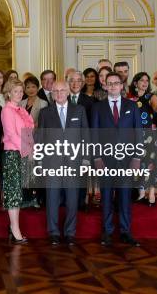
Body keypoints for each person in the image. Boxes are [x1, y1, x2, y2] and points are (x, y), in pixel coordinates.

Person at [91, 72, 142, 247]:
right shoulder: (98, 108)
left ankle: (126, 232)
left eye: (116, 83)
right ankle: (107, 232)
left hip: (127, 160)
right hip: (105, 160)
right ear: (105, 86)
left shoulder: (132, 106)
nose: (112, 86)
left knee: (125, 197)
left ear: (122, 86)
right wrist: (97, 158)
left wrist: (137, 157)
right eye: (109, 83)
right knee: (106, 196)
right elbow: (94, 134)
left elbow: (138, 133)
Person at [39, 80, 89, 246]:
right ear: (51, 93)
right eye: (55, 91)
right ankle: (53, 232)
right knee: (52, 199)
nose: (59, 94)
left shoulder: (79, 110)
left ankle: (70, 233)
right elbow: (41, 139)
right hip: (52, 163)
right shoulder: (45, 113)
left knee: (72, 199)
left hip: (74, 162)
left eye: (62, 90)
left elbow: (85, 136)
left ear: (68, 92)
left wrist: (86, 159)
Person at [0, 79, 34, 244]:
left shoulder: (21, 110)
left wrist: (30, 150)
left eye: (21, 91)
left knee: (18, 192)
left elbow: (28, 133)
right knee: (13, 192)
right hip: (13, 154)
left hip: (23, 153)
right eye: (16, 91)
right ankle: (15, 229)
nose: (19, 94)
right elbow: (12, 135)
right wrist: (25, 150)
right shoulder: (7, 110)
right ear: (8, 93)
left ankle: (14, 226)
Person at [127, 72, 157, 206]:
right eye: (142, 80)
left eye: (147, 80)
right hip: (134, 136)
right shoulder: (129, 98)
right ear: (135, 83)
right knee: (139, 162)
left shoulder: (151, 96)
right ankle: (141, 191)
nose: (145, 83)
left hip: (150, 135)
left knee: (151, 162)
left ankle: (151, 192)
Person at [68, 71, 95, 211]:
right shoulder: (61, 98)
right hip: (65, 147)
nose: (75, 83)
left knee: (82, 176)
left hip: (83, 145)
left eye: (79, 80)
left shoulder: (90, 101)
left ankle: (81, 202)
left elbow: (90, 126)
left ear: (83, 83)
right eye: (72, 80)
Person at [19, 76, 48, 208]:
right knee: (25, 169)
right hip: (22, 141)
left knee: (37, 169)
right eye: (28, 87)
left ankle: (38, 198)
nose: (31, 89)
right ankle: (26, 198)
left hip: (37, 140)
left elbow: (41, 124)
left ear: (38, 88)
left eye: (33, 87)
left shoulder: (43, 103)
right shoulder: (21, 103)